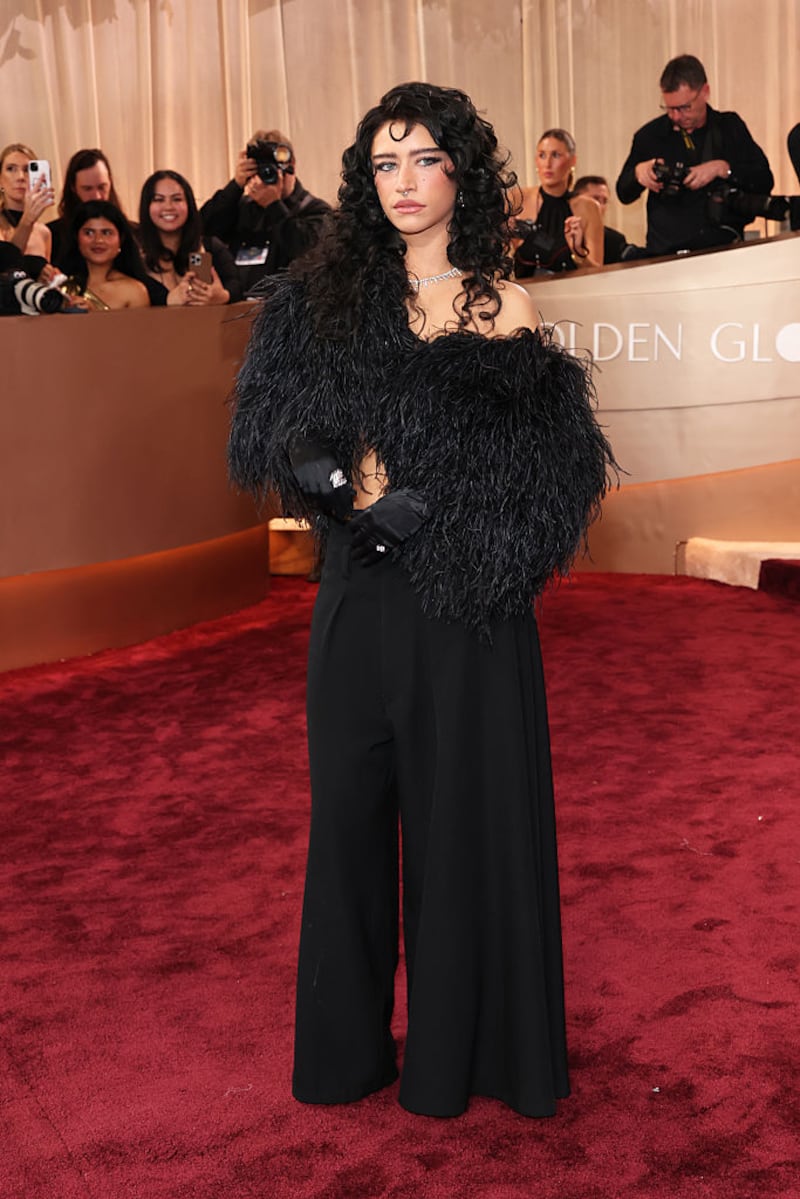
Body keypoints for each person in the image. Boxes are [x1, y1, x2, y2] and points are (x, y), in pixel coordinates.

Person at [228, 81, 616, 1119]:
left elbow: (544, 479)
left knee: (461, 826)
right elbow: (280, 421)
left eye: (425, 159)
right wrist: (311, 465)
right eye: (384, 162)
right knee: (347, 819)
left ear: (462, 173)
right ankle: (344, 1054)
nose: (403, 182)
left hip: (464, 609)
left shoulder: (502, 304)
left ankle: (464, 1056)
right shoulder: (320, 299)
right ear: (364, 179)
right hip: (354, 594)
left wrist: (431, 505)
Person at [616, 54, 774, 256]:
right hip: (665, 255)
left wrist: (723, 168)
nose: (675, 116)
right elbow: (623, 193)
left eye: (684, 108)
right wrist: (638, 173)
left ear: (705, 92)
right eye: (669, 108)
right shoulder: (650, 136)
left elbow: (764, 181)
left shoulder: (729, 127)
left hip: (723, 250)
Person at [200, 129, 330, 294]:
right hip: (238, 310)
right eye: (261, 170)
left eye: (273, 169)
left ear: (292, 166)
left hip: (289, 312)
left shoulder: (315, 210)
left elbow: (309, 253)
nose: (267, 176)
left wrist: (274, 206)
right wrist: (235, 186)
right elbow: (202, 230)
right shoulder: (241, 208)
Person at [138, 170, 241, 305]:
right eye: (159, 199)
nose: (168, 207)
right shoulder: (135, 254)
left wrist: (223, 296)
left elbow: (237, 285)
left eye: (177, 199)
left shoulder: (210, 246)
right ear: (146, 206)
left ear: (189, 204)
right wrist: (168, 300)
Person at [511, 128, 604, 276]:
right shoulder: (518, 199)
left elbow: (597, 272)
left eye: (555, 155)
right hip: (527, 294)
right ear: (536, 160)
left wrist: (578, 252)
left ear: (573, 160)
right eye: (542, 155)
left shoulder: (588, 208)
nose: (547, 163)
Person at [58, 200, 150, 310]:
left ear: (120, 240)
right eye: (89, 233)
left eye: (107, 233)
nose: (98, 240)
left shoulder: (135, 291)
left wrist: (96, 314)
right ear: (76, 238)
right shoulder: (62, 286)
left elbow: (138, 328)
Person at [48, 148, 122, 265]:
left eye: (102, 187)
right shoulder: (51, 236)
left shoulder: (132, 232)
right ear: (73, 188)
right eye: (88, 189)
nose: (97, 196)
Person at [0, 143, 55, 265]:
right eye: (11, 169)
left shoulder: (43, 232)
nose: (20, 177)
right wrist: (27, 221)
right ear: (0, 180)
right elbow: (6, 266)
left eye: (27, 170)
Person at [572, 174, 632, 264]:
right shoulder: (562, 232)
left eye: (604, 201)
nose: (600, 206)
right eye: (595, 199)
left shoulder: (615, 240)